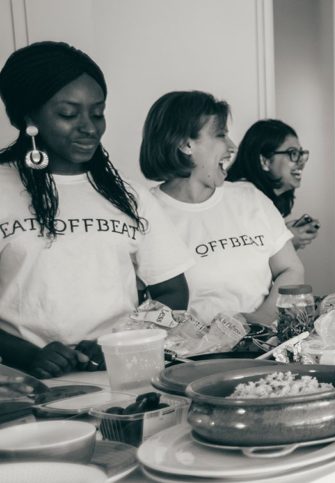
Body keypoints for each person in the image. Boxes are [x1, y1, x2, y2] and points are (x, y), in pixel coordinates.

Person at [0, 42, 192, 378]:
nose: (90, 127)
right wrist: (28, 356)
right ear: (29, 117)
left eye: (98, 112)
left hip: (123, 378)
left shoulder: (129, 195)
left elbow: (172, 290)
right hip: (22, 386)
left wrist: (123, 340)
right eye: (68, 114)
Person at [140, 91, 304, 327]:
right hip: (194, 357)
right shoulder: (147, 211)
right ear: (186, 144)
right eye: (221, 135)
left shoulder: (250, 198)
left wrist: (262, 318)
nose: (232, 146)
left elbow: (291, 269)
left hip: (263, 348)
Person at [226, 119, 319, 250]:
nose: (301, 162)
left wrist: (282, 233)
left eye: (301, 154)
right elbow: (243, 258)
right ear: (265, 161)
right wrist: (286, 243)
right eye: (293, 153)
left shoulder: (263, 200)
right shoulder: (241, 198)